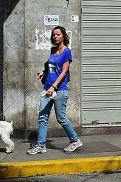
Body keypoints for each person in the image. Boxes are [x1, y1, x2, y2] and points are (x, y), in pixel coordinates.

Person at [27, 26, 83, 155]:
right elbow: (51, 65)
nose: (55, 37)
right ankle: (41, 145)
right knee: (42, 117)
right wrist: (43, 72)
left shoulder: (66, 52)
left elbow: (63, 72)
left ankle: (75, 140)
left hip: (59, 90)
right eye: (53, 35)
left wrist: (54, 87)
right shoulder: (53, 50)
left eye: (58, 34)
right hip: (47, 89)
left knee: (61, 118)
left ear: (63, 36)